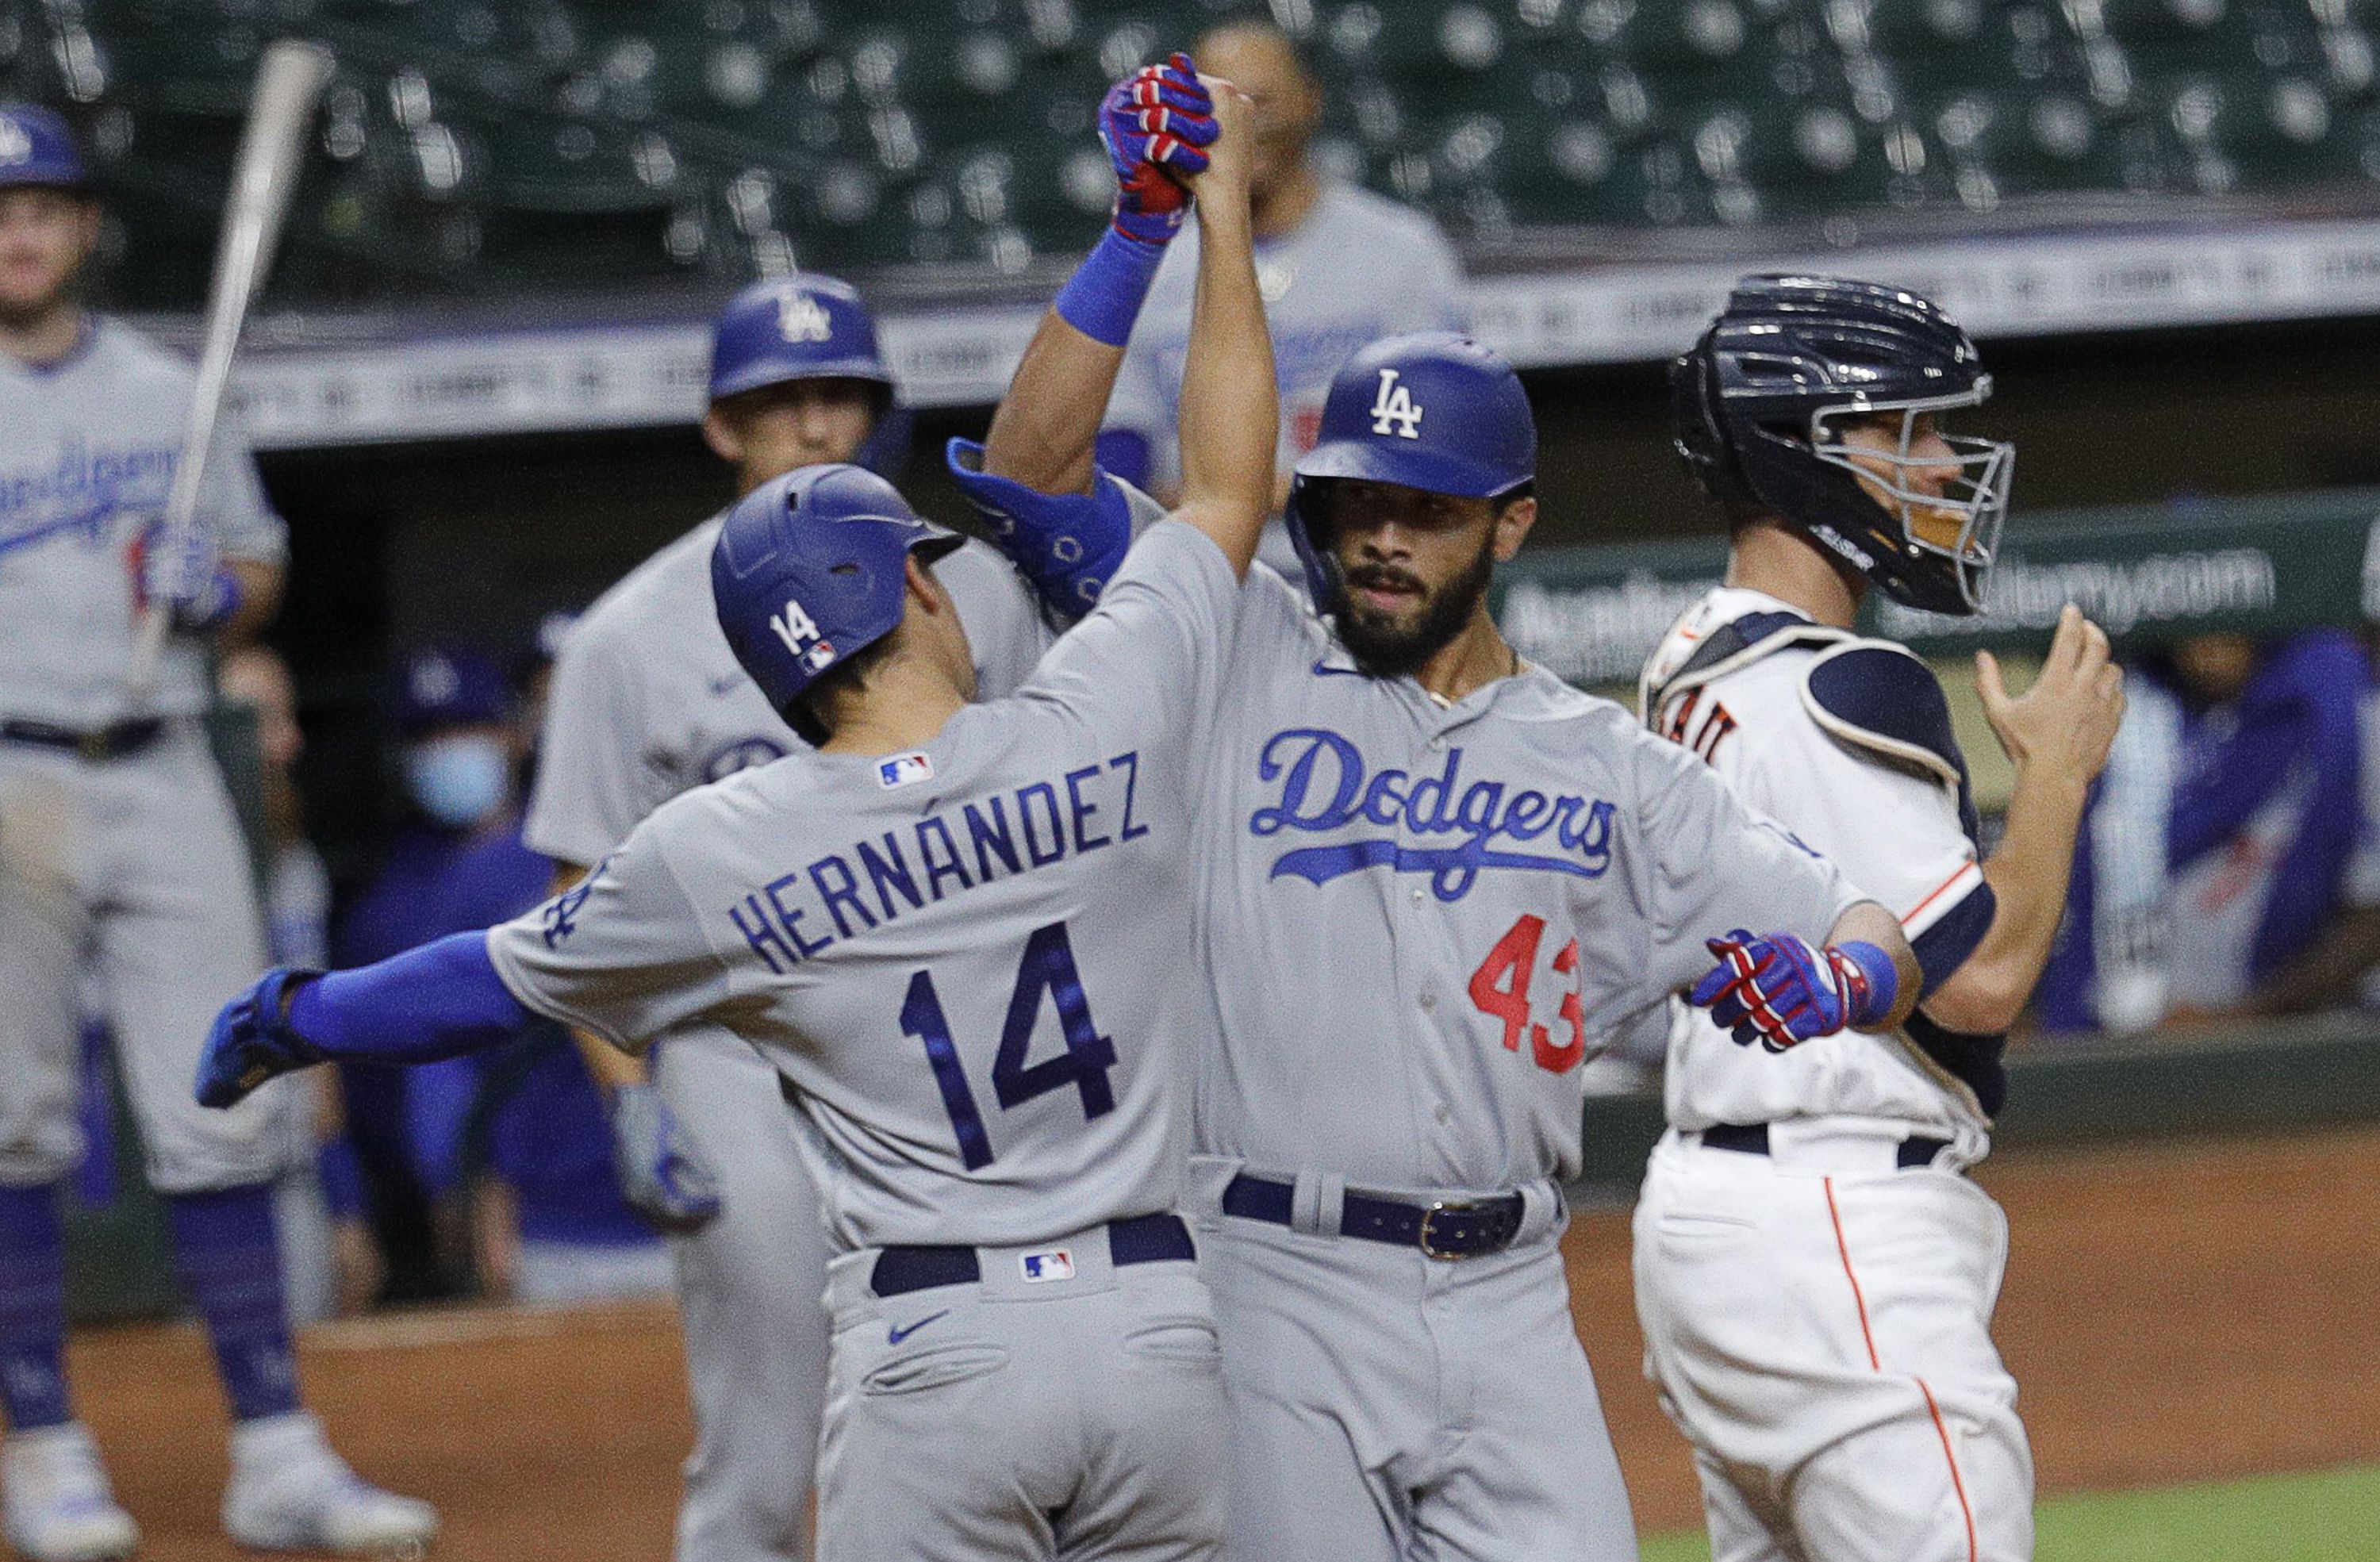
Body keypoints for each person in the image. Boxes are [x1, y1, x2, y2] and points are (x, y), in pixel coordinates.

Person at [198, 70, 1279, 1555]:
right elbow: (1227, 486)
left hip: (937, 1354)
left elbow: (486, 977)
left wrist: (307, 1012)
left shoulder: (726, 846)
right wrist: (1207, 214)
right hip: (1161, 1331)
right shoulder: (1100, 719)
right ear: (916, 584)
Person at [948, 124, 1925, 1562]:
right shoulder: (1233, 650)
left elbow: (1873, 928)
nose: (1384, 539)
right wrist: (1140, 233)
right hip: (1268, 1275)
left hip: (1511, 1288)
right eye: (1356, 505)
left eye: (1428, 509)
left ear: (1511, 524)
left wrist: (1836, 985)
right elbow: (1030, 473)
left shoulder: (1607, 766)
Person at [524, 264, 1054, 1553]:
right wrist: (630, 1092)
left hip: (953, 1037)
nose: (816, 425)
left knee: (1002, 1406)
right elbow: (573, 898)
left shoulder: (967, 588)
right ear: (723, 426)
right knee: (765, 1436)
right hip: (734, 1050)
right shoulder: (629, 634)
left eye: (841, 396)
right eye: (782, 401)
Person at [1634, 274, 2128, 1562]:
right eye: (1902, 431)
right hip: (1835, 1220)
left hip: (1716, 1219)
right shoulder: (1836, 679)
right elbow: (1981, 982)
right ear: (1803, 452)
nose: (1943, 462)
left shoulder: (1693, 653)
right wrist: (2061, 777)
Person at [0, 104, 435, 1558]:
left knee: (225, 1096)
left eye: (43, 204)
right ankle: (46, 1445)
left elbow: (256, 566)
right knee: (12, 1124)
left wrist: (214, 593)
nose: (19, 228)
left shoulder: (162, 388)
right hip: (9, 769)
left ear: (84, 225)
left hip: (169, 754)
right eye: (2, 207)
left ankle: (277, 1446)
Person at [1101, 17, 1466, 577]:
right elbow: (1116, 475)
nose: (1245, 124)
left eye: (1263, 102)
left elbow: (1431, 445)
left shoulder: (1401, 251)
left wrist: (1219, 498)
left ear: (1311, 103)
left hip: (1364, 577)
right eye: (1219, 105)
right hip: (1201, 582)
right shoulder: (1149, 263)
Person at [2036, 629, 2364, 1031]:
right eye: (2194, 634)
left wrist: (2245, 1016)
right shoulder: (2126, 707)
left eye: (2227, 628)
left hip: (2281, 1037)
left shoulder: (2339, 705)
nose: (2209, 650)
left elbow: (2368, 923)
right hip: (2114, 1034)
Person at [215, 647, 378, 1322]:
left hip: (290, 1175)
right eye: (265, 720)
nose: (292, 741)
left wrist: (345, 1207)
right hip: (188, 1183)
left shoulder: (292, 858)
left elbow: (315, 1053)